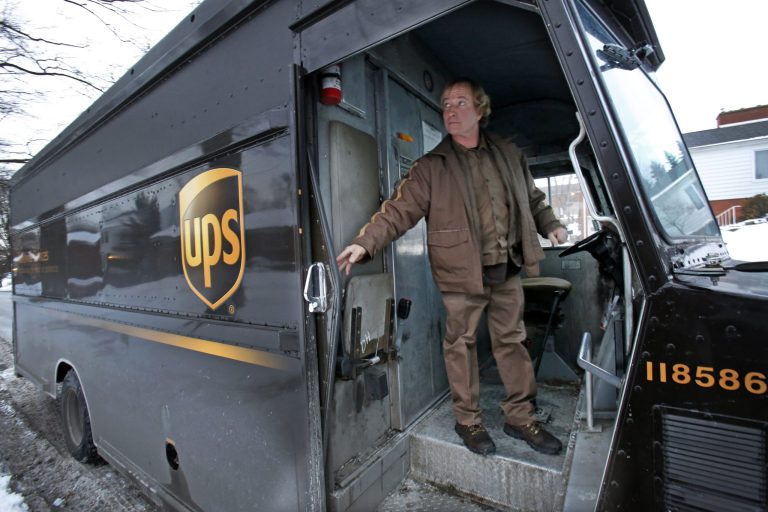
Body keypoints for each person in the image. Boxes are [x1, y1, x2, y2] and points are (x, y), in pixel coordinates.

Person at [336, 78, 568, 456]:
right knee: (461, 345)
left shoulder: (509, 154)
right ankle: (468, 421)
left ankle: (520, 417)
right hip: (460, 272)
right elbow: (398, 210)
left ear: (480, 109)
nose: (451, 111)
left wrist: (551, 225)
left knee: (512, 342)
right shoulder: (431, 167)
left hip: (507, 269)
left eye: (460, 103)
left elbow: (533, 199)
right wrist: (365, 242)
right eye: (446, 104)